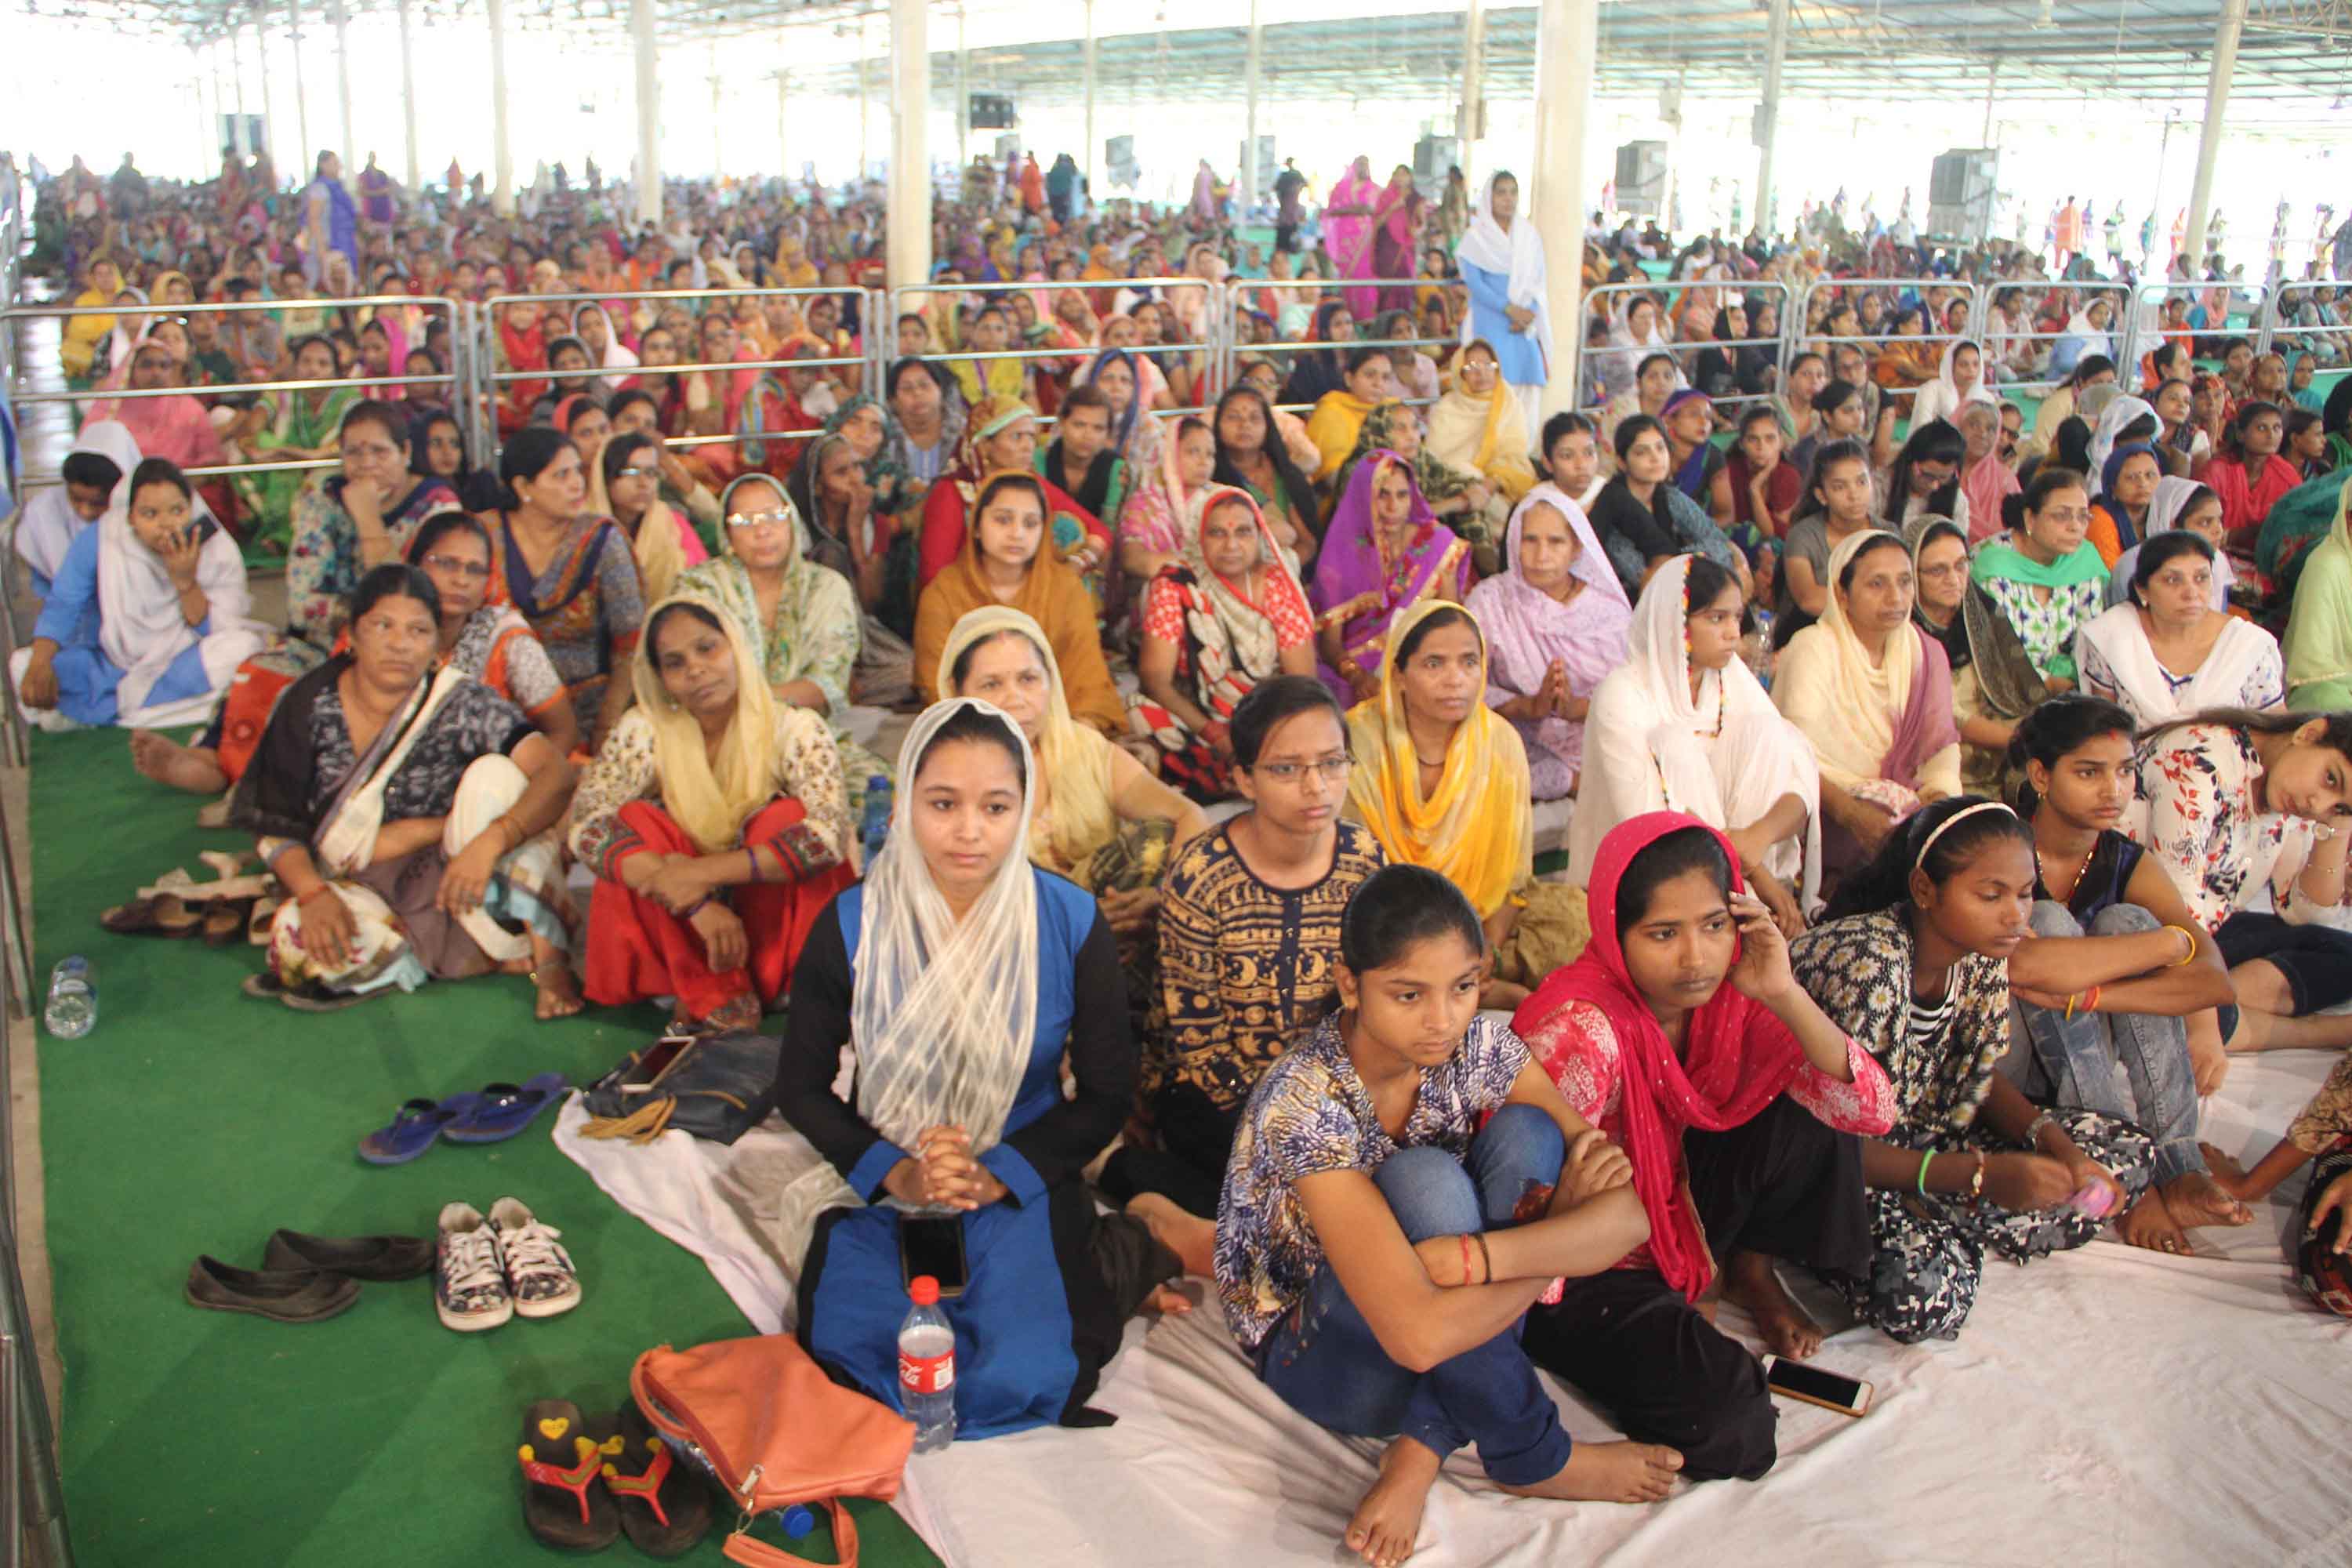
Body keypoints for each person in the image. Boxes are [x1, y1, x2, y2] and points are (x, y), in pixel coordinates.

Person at [1217, 863, 1679, 1568]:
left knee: (1533, 1135)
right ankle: (1535, 1452)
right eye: (1408, 995)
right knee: (1425, 1180)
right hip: (1322, 1353)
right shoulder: (1304, 1103)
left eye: (1463, 987)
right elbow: (1420, 1339)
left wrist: (1485, 1260)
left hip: (1438, 1301)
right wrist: (1549, 1249)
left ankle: (1420, 1450)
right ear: (1351, 986)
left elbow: (1629, 1217)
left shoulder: (1482, 1046)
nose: (1443, 1020)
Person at [774, 699, 1188, 1439]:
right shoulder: (853, 922)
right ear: (906, 801)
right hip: (893, 1167)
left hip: (1018, 1165)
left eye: (996, 806)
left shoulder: (1068, 921)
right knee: (860, 1367)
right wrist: (895, 1171)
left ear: (1025, 807)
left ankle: (1120, 1251)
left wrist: (1000, 1172)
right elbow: (801, 1087)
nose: (969, 831)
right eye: (943, 803)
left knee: (1027, 1375)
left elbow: (1104, 1095)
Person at [1512, 815, 1894, 1479]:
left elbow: (1868, 1111)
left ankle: (1736, 1268)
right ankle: (1688, 1301)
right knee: (1738, 1431)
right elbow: (1527, 1225)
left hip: (1672, 1206)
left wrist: (1784, 991)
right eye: (1664, 934)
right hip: (1583, 1264)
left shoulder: (1732, 1000)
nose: (1696, 958)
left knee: (1806, 1086)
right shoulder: (1583, 1028)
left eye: (1715, 926)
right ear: (1614, 930)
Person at [1789, 798, 2155, 1342]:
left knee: (2125, 1155)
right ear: (1924, 890)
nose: (2016, 915)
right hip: (1825, 1166)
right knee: (1921, 1295)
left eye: (2026, 893)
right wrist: (1981, 1177)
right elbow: (1830, 1148)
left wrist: (2062, 1150)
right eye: (1991, 895)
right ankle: (1939, 1226)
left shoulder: (1982, 953)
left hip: (1923, 1143)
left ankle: (1945, 1218)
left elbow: (1976, 1079)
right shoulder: (1869, 967)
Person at [228, 564, 580, 1018]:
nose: (399, 644)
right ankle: (458, 954)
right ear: (351, 635)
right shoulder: (310, 704)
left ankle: (535, 953)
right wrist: (313, 895)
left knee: (499, 779)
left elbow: (555, 774)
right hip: (355, 878)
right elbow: (274, 820)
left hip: (462, 872)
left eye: (418, 630)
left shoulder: (461, 702)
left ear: (437, 648)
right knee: (295, 942)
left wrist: (489, 838)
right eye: (382, 626)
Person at [1101, 677, 1384, 1222]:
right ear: (1243, 779)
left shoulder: (1365, 861)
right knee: (1309, 1189)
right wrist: (1286, 1123)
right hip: (1214, 1094)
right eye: (1286, 769)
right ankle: (1147, 1180)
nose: (1316, 787)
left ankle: (1184, 1200)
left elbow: (1371, 999)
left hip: (1325, 1083)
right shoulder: (1202, 875)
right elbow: (1199, 1043)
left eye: (1331, 763)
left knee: (1367, 1175)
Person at [2004, 698, 2249, 1254]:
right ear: (2041, 774)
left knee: (2128, 921)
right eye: (2089, 772)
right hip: (2004, 1059)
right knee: (2047, 921)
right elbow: (2028, 966)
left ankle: (2176, 1157)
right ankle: (2127, 1170)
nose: (2113, 790)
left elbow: (2214, 981)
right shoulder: (2001, 842)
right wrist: (2165, 945)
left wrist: (2096, 993)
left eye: (2124, 771)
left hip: (2074, 1044)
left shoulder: (2126, 861)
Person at [570, 596, 858, 1034]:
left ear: (737, 646)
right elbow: (588, 822)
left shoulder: (793, 727)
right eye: (675, 662)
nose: (696, 669)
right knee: (633, 822)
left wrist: (699, 873)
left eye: (708, 648)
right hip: (686, 930)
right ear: (662, 680)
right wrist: (696, 902)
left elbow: (827, 837)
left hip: (771, 925)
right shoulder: (645, 730)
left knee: (785, 820)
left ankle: (766, 980)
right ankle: (713, 992)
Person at [937, 607, 1207, 1013]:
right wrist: (1078, 926)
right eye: (992, 684)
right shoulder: (937, 774)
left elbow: (1191, 816)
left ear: (1050, 682)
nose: (1016, 699)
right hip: (1005, 952)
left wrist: (1160, 898)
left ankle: (1125, 1011)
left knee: (1159, 843)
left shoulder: (1084, 749)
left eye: (1028, 679)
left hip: (1112, 934)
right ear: (957, 692)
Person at [1344, 603, 1593, 1007]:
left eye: (1469, 662)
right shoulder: (1358, 741)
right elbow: (1352, 873)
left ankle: (1472, 982)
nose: (1455, 680)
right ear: (1399, 674)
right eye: (1434, 664)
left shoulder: (1499, 743)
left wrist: (1486, 954)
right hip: (1384, 923)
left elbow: (1510, 880)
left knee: (1577, 926)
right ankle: (1465, 989)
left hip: (1477, 923)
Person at [1573, 554, 1820, 933]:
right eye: (1716, 618)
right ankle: (1738, 907)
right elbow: (1649, 824)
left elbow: (1797, 778)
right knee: (1675, 745)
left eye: (1737, 617)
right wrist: (1754, 874)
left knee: (1774, 734)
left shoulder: (1727, 678)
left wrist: (1758, 838)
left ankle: (1743, 908)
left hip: (1739, 866)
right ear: (1676, 622)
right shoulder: (1622, 693)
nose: (1734, 634)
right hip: (1650, 874)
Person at [2132, 709, 2352, 1053]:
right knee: (2195, 1012)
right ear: (2309, 733)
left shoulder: (2286, 798)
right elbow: (2177, 909)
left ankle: (2211, 1008)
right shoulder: (2200, 760)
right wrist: (2201, 1015)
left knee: (2342, 950)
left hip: (2205, 933)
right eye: (2331, 779)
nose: (2317, 803)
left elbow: (2303, 914)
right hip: (2137, 935)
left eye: (2338, 805)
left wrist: (2339, 823)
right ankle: (2318, 1032)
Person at [675, 474, 888, 810]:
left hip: (806, 738)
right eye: (746, 521)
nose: (763, 531)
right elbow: (693, 683)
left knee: (881, 798)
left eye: (774, 516)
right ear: (726, 532)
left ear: (792, 520)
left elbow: (826, 684)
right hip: (719, 741)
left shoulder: (826, 587)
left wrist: (746, 702)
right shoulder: (699, 589)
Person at [13, 455, 263, 732]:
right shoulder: (105, 538)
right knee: (21, 665)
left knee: (242, 649)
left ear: (191, 509)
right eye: (150, 514)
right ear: (130, 516)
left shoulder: (213, 548)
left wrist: (185, 582)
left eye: (177, 510)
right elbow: (63, 602)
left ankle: (113, 714)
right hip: (113, 666)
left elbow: (218, 631)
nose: (166, 524)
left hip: (182, 663)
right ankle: (168, 711)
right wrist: (40, 661)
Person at [1774, 530, 1960, 877]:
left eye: (1905, 582)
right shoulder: (1812, 648)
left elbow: (1942, 749)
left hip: (1907, 812)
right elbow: (1795, 756)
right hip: (1825, 813)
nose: (1896, 597)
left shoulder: (1927, 653)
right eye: (1877, 584)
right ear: (1842, 593)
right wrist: (1851, 813)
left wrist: (1934, 807)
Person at [1127, 487, 1319, 800]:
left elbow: (1301, 683)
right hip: (1201, 725)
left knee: (1307, 724)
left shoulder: (1277, 584)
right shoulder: (1175, 585)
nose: (1231, 545)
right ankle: (1248, 775)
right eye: (1217, 533)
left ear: (1258, 538)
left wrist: (1257, 735)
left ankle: (1240, 771)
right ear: (1200, 538)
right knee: (1138, 710)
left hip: (1267, 722)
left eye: (1243, 532)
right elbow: (1155, 680)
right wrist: (1214, 733)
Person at [913, 471, 1124, 734]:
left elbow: (1088, 680)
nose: (1017, 533)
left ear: (1044, 531)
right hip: (973, 735)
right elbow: (938, 688)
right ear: (977, 527)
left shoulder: (1066, 590)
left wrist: (1069, 741)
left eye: (1031, 523)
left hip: (1059, 730)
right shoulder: (944, 594)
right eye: (1003, 520)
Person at [481, 428, 645, 752]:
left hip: (591, 713)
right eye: (561, 475)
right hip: (501, 713)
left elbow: (631, 643)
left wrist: (607, 724)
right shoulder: (483, 537)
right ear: (523, 486)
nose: (577, 484)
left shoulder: (601, 540)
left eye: (578, 471)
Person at [1465, 486, 1631, 800]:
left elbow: (1633, 696)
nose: (1541, 556)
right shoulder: (1490, 601)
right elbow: (1465, 683)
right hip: (1517, 742)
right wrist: (1526, 707)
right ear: (1514, 540)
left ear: (1577, 548)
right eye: (1530, 540)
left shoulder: (1609, 612)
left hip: (1600, 743)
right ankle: (1571, 782)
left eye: (1555, 542)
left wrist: (1577, 709)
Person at [285, 401, 460, 645]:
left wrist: (368, 519)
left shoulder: (437, 507)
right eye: (354, 452)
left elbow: (416, 608)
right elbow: (300, 605)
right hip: (331, 645)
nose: (367, 464)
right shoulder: (324, 501)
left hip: (412, 648)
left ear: (406, 452)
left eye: (380, 451)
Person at [1310, 452, 1472, 706]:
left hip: (1423, 658)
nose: (1393, 507)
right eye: (1382, 494)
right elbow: (1330, 645)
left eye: (1402, 495)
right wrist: (1357, 676)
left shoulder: (1436, 544)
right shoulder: (1341, 554)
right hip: (1357, 668)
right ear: (1364, 498)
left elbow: (1451, 620)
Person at [2078, 533, 2282, 728]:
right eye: (2172, 580)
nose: (2191, 593)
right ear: (2142, 590)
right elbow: (2103, 734)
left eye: (2201, 578)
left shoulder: (2246, 646)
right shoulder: (2114, 636)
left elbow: (2274, 734)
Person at [916, 395, 1108, 595]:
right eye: (1017, 437)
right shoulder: (951, 492)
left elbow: (1098, 530)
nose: (1028, 447)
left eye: (1031, 437)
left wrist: (1079, 562)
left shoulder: (1031, 484)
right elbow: (934, 576)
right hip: (965, 604)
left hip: (1025, 599)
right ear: (985, 446)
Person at [1970, 466, 2108, 696]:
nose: (2076, 526)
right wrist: (2050, 683)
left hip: (2071, 688)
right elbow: (1995, 650)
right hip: (2002, 688)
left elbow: (2093, 639)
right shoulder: (1992, 564)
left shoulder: (2083, 560)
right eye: (2062, 516)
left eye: (2083, 516)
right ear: (2030, 519)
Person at [1584, 416, 1749, 603]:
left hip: (1684, 589)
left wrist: (1736, 560)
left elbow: (1714, 537)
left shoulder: (1670, 497)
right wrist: (1701, 557)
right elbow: (1641, 575)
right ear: (1622, 462)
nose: (1655, 458)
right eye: (1642, 452)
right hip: (1633, 603)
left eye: (1660, 448)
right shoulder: (1613, 506)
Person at [233, 333, 359, 551]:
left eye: (323, 364)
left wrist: (284, 451)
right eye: (306, 362)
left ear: (336, 371)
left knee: (311, 472)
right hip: (284, 467)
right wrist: (253, 443)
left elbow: (339, 450)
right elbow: (255, 422)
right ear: (295, 366)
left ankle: (287, 536)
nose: (313, 370)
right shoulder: (284, 392)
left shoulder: (350, 399)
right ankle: (274, 531)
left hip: (324, 466)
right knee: (259, 447)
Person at [1452, 172, 1552, 449]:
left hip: (1523, 325)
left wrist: (1527, 313)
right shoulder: (1475, 238)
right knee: (1491, 388)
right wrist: (1510, 310)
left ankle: (1521, 453)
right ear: (1489, 198)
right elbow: (1475, 284)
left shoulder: (1528, 235)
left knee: (1527, 390)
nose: (1508, 199)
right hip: (1491, 319)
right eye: (1501, 193)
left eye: (1513, 192)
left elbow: (1537, 281)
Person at [15, 421, 139, 601]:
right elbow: (62, 588)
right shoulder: (43, 512)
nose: (84, 512)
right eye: (75, 498)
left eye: (98, 503)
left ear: (122, 491)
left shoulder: (144, 509)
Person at [1772, 437, 1875, 645]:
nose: (1854, 495)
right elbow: (1809, 599)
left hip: (1871, 633)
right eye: (1840, 487)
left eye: (1861, 482)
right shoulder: (1803, 535)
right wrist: (1874, 602)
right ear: (1822, 495)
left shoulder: (1887, 534)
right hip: (1809, 635)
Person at [600, 430, 710, 607]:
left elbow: (702, 583)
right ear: (607, 478)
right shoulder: (588, 531)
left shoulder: (672, 524)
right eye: (632, 471)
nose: (643, 483)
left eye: (651, 472)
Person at [1426, 340, 1537, 506]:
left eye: (1488, 365)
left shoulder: (1510, 403)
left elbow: (1514, 453)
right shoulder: (1446, 408)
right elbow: (1435, 459)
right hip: (1452, 483)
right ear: (1460, 373)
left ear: (1497, 368)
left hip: (1498, 484)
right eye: (1472, 367)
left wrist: (1490, 483)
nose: (1482, 373)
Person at [2111, 475, 2236, 613]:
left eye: (2219, 520)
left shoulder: (2218, 561)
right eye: (2205, 522)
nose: (2219, 531)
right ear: (2173, 526)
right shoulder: (2132, 565)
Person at [2283, 478, 2352, 711]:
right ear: (2348, 520)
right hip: (2327, 686)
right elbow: (2313, 664)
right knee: (2328, 700)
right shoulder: (2326, 565)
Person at [1708, 405, 1802, 557]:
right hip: (1731, 543)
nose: (1761, 447)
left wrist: (1754, 489)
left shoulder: (1788, 475)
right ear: (1742, 444)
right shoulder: (1730, 470)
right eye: (1753, 439)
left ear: (1781, 443)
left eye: (1770, 439)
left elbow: (1770, 534)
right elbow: (1725, 521)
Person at [2200, 401, 2300, 538]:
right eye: (2261, 428)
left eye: (2277, 428)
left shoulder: (2285, 472)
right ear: (2241, 434)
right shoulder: (2218, 471)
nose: (2271, 435)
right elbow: (2200, 524)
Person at [1305, 347, 1399, 482]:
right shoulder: (1332, 411)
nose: (1378, 384)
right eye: (1370, 375)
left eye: (1385, 378)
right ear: (1349, 379)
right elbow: (1334, 477)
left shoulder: (1393, 409)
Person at [1877, 419, 1969, 535]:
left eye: (1944, 477)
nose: (1935, 486)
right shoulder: (1880, 488)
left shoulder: (1957, 501)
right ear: (1910, 462)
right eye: (1928, 476)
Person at [2085, 442, 2162, 567]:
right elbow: (2113, 577)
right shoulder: (2099, 519)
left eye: (2150, 475)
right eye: (2131, 477)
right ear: (2112, 486)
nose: (2143, 483)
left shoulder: (2164, 514)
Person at [1907, 338, 1998, 430]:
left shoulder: (1987, 399)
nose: (1971, 370)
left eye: (1976, 364)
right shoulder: (1930, 390)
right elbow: (1922, 429)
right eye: (1963, 365)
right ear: (1951, 367)